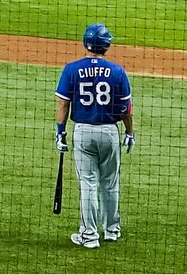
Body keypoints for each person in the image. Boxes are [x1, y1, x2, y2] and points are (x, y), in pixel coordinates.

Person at [55, 23, 133, 249]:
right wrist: (129, 132)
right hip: (109, 132)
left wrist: (60, 133)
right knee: (110, 183)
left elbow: (63, 102)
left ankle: (89, 236)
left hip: (83, 132)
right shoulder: (117, 71)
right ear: (106, 45)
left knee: (87, 184)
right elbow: (126, 108)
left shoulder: (72, 69)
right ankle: (111, 230)